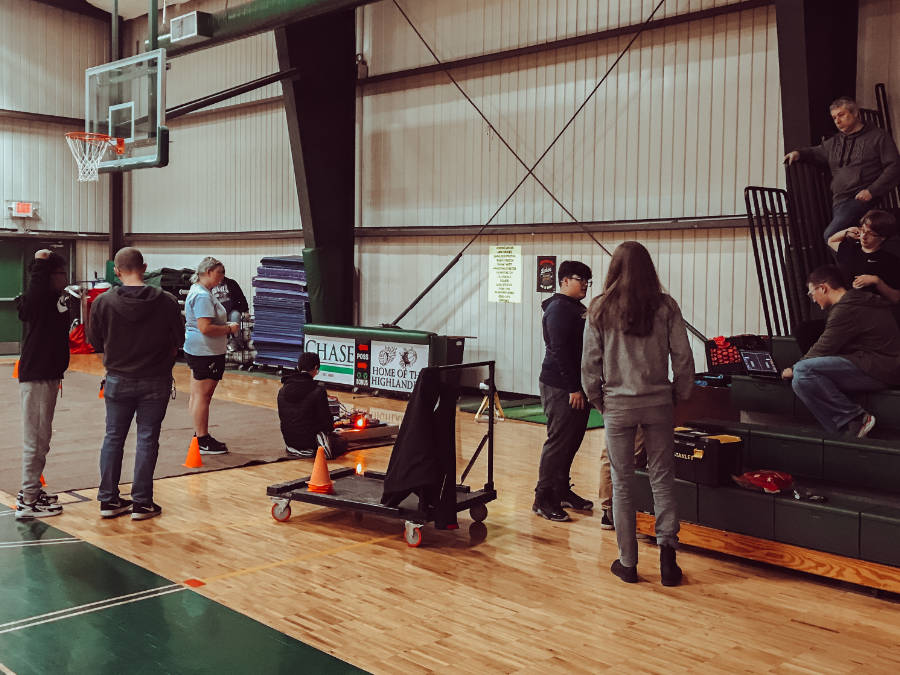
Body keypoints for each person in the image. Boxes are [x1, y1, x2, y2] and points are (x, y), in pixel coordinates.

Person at [582, 242, 695, 586]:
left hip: (617, 404)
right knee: (662, 479)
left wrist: (598, 400)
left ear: (614, 269)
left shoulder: (599, 308)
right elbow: (683, 357)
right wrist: (681, 393)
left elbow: (589, 364)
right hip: (658, 402)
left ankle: (628, 562)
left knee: (622, 483)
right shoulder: (665, 306)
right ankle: (668, 561)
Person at [89, 247, 184, 520]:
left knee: (113, 438)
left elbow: (95, 342)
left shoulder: (103, 302)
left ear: (117, 271)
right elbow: (179, 338)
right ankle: (142, 502)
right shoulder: (166, 301)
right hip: (155, 380)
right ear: (144, 267)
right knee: (147, 440)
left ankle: (108, 500)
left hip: (118, 378)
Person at [782, 265, 900, 437]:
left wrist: (793, 368)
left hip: (880, 368)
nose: (813, 299)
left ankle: (856, 418)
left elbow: (824, 346)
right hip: (876, 364)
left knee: (803, 371)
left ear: (823, 288)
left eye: (811, 293)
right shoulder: (856, 301)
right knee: (799, 381)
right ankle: (843, 434)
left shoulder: (847, 308)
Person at [784, 97, 900, 243]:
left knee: (832, 236)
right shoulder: (834, 142)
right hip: (839, 201)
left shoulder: (878, 137)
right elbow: (815, 152)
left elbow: (894, 166)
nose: (837, 121)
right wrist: (798, 153)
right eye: (834, 117)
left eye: (841, 115)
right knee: (850, 240)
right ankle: (856, 265)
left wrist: (872, 191)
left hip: (861, 198)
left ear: (855, 113)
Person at [533, 260, 593, 522]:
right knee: (558, 442)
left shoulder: (575, 308)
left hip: (576, 386)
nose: (585, 286)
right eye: (581, 280)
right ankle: (543, 499)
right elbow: (559, 351)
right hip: (561, 386)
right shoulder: (558, 308)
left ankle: (561, 490)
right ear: (565, 281)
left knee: (572, 441)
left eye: (588, 282)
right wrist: (573, 388)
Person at [14, 250, 70, 519]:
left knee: (42, 439)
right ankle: (28, 499)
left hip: (49, 374)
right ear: (48, 277)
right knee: (35, 440)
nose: (66, 277)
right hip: (37, 376)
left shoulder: (55, 299)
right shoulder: (37, 300)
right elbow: (33, 296)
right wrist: (40, 261)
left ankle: (32, 490)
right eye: (60, 273)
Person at [184, 257, 240, 455]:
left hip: (199, 349)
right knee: (203, 395)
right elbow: (205, 327)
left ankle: (199, 434)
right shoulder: (202, 296)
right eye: (219, 273)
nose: (222, 278)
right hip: (205, 351)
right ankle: (202, 438)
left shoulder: (200, 291)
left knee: (197, 394)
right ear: (208, 272)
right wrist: (229, 328)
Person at [277, 352, 347, 459]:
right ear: (316, 368)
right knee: (342, 441)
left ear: (298, 367)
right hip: (309, 443)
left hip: (290, 442)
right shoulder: (318, 390)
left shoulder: (282, 390)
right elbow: (327, 424)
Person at [827, 209, 900, 307]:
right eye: (863, 230)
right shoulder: (851, 248)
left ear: (882, 237)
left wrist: (877, 281)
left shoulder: (890, 261)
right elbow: (831, 241)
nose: (864, 236)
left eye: (870, 233)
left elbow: (896, 298)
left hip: (872, 310)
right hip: (845, 306)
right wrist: (847, 231)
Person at [211, 275, 249, 349]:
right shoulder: (210, 285)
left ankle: (236, 341)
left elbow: (241, 297)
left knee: (235, 316)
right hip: (216, 312)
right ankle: (220, 342)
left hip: (231, 310)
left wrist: (245, 310)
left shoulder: (231, 283)